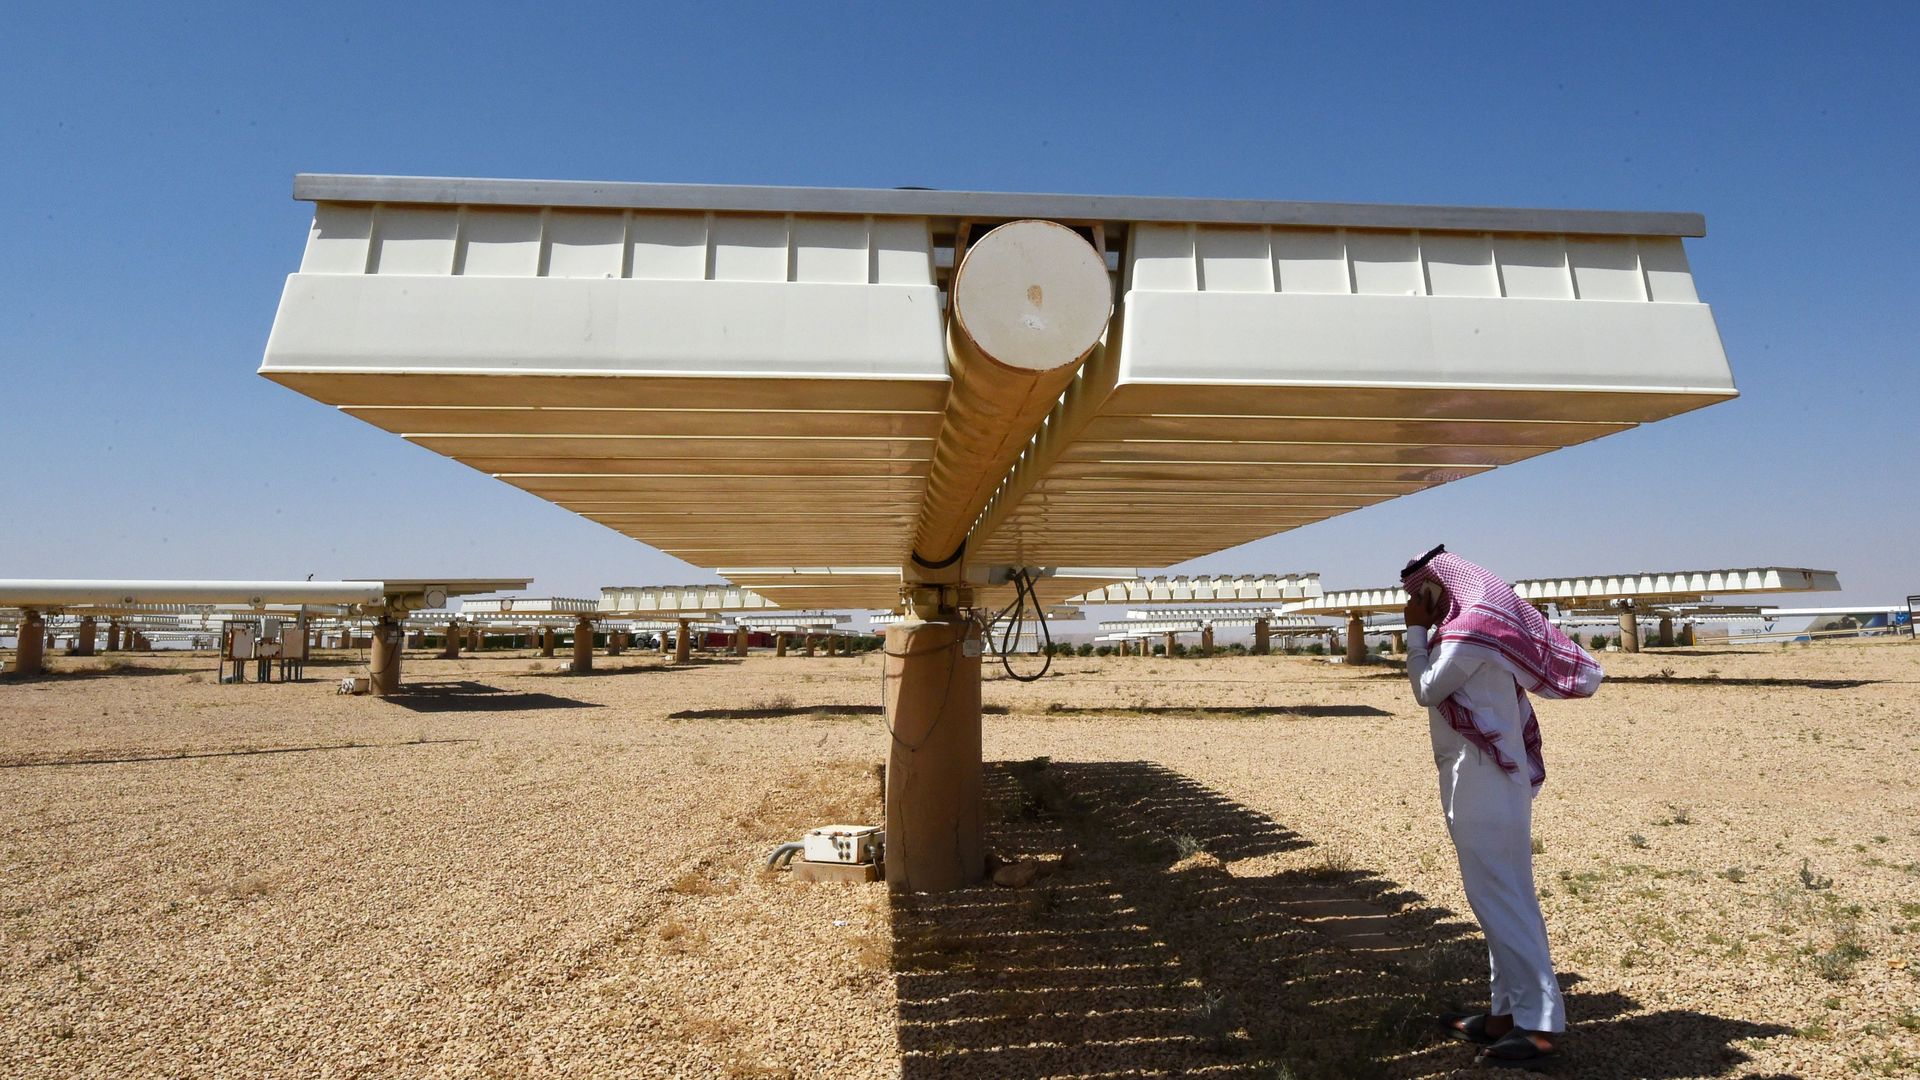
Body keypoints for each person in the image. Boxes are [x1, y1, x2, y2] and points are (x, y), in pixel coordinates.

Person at [1400, 545, 1602, 1068]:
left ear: (1441, 586)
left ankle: (1539, 1027)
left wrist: (1414, 631)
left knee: (1499, 898)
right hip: (1486, 777)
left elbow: (1426, 689)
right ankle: (1503, 1016)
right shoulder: (1476, 630)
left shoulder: (1469, 634)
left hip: (1483, 779)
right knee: (1500, 896)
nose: (1418, 598)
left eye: (1424, 590)